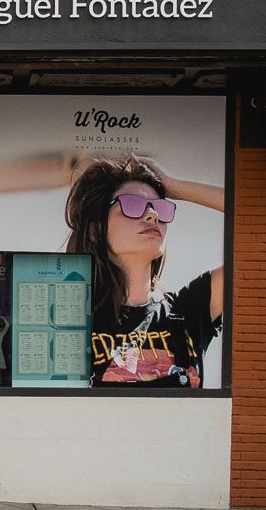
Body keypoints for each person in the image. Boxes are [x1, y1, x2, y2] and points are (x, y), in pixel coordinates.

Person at [64, 155, 224, 387]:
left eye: (159, 207)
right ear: (95, 229)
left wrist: (176, 187)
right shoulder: (70, 317)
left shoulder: (189, 310)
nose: (153, 215)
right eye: (132, 205)